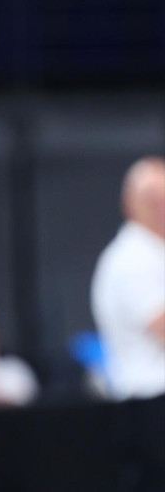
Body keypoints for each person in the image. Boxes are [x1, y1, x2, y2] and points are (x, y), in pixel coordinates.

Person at [91, 156, 165, 401]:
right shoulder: (131, 259)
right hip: (150, 403)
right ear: (128, 203)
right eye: (151, 199)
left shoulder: (155, 251)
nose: (160, 206)